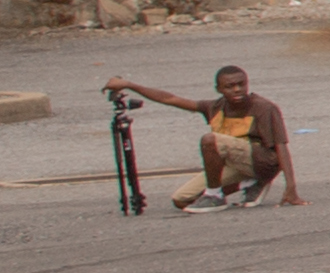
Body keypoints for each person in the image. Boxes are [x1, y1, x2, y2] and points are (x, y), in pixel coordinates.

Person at [108, 65, 302, 212]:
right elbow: (169, 99)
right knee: (182, 200)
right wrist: (129, 85)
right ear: (219, 89)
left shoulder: (264, 108)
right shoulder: (214, 107)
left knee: (210, 140)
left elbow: (281, 146)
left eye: (241, 84)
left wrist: (291, 188)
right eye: (230, 86)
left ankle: (215, 194)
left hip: (263, 162)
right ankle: (248, 184)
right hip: (236, 164)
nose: (237, 90)